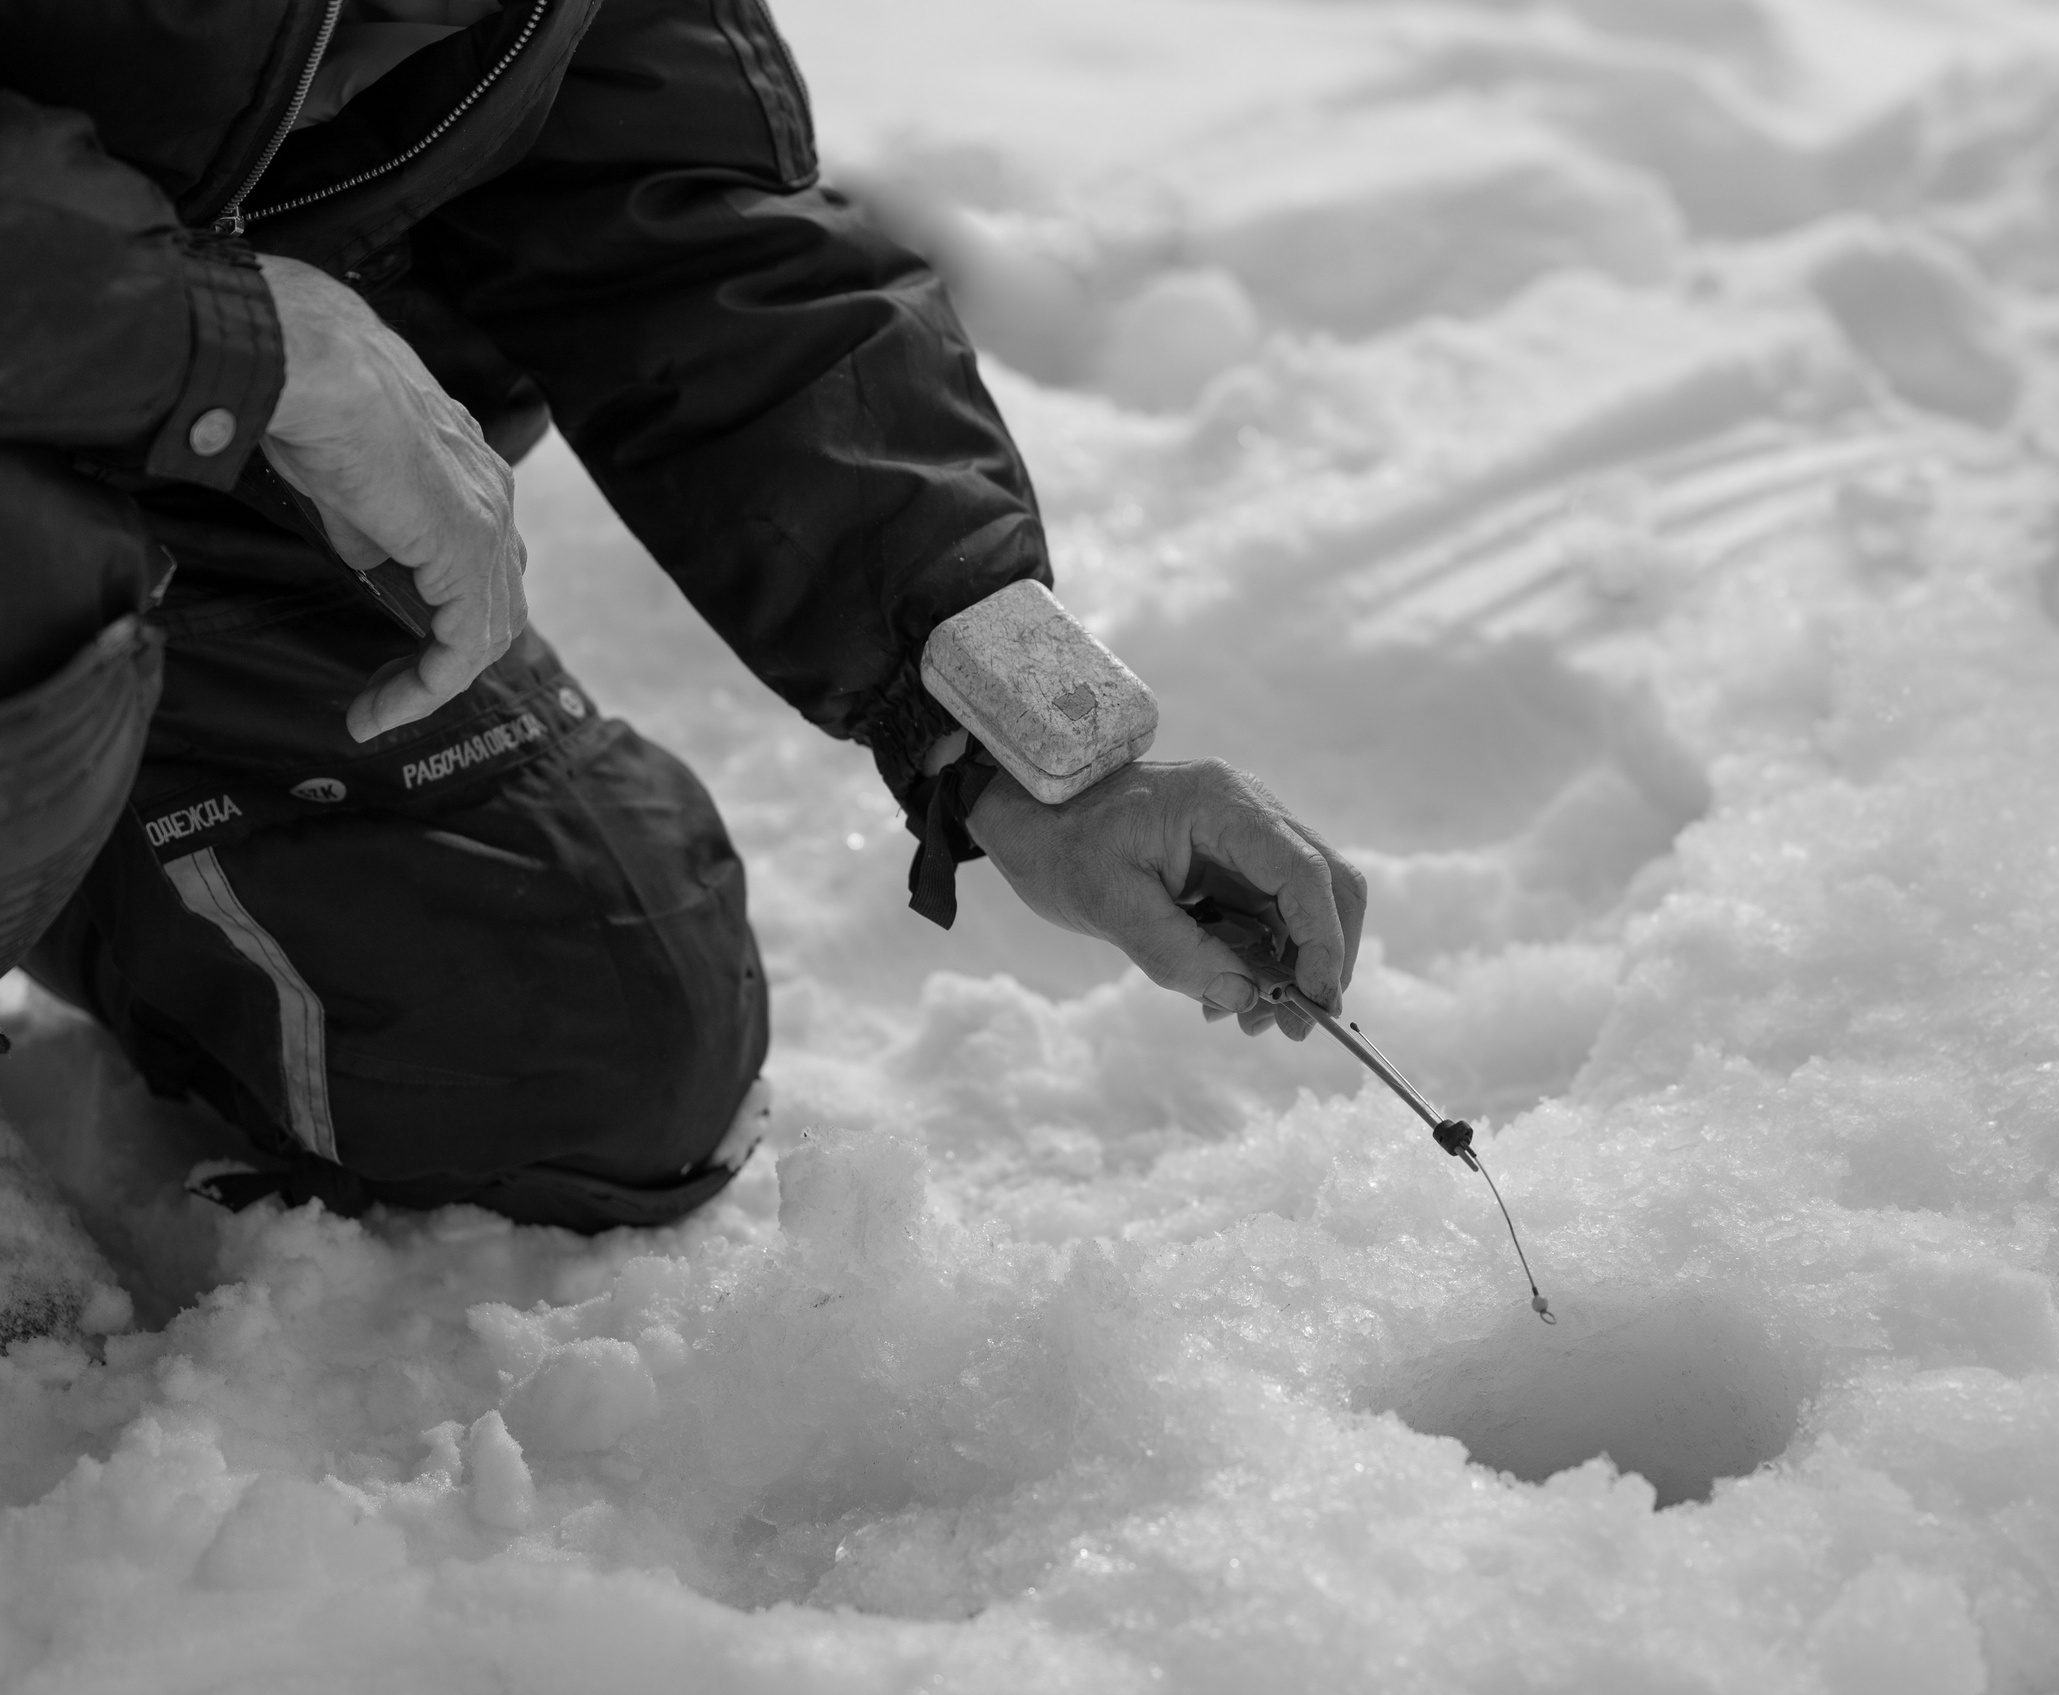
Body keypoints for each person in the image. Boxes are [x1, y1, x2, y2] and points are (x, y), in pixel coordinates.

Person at [0, 0, 1364, 1233]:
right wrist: (228, 334)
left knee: (593, 1038)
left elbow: (678, 223)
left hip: (235, 501)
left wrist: (1041, 749)